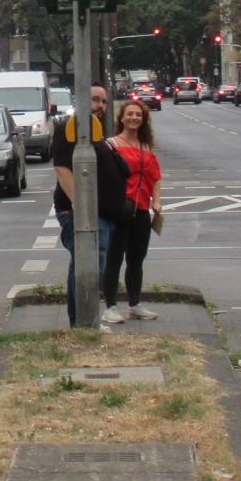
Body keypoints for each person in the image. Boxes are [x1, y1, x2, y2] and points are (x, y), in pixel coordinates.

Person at [51, 85, 130, 326]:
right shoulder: (71, 127)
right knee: (88, 266)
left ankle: (84, 321)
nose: (100, 106)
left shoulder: (94, 130)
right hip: (86, 214)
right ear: (81, 100)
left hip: (102, 214)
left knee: (90, 265)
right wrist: (81, 206)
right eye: (95, 100)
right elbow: (62, 168)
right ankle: (84, 323)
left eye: (104, 102)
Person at [102, 97, 163, 324]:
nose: (134, 118)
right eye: (130, 114)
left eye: (138, 115)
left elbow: (155, 177)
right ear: (121, 118)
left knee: (136, 259)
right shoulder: (111, 145)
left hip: (142, 209)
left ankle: (134, 304)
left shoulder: (146, 147)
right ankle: (110, 307)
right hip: (120, 209)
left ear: (143, 120)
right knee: (114, 258)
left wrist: (157, 202)